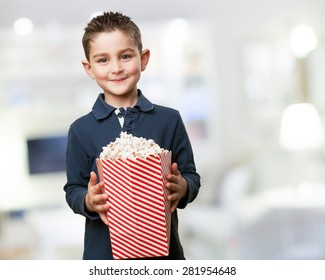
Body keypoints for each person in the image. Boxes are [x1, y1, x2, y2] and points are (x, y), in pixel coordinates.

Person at [64, 11, 201, 260]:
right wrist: (88, 200)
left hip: (163, 257)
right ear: (89, 68)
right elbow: (73, 188)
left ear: (143, 58)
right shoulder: (80, 130)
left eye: (125, 56)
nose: (116, 68)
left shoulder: (169, 120)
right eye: (103, 60)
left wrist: (183, 187)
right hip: (104, 257)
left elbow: (191, 176)